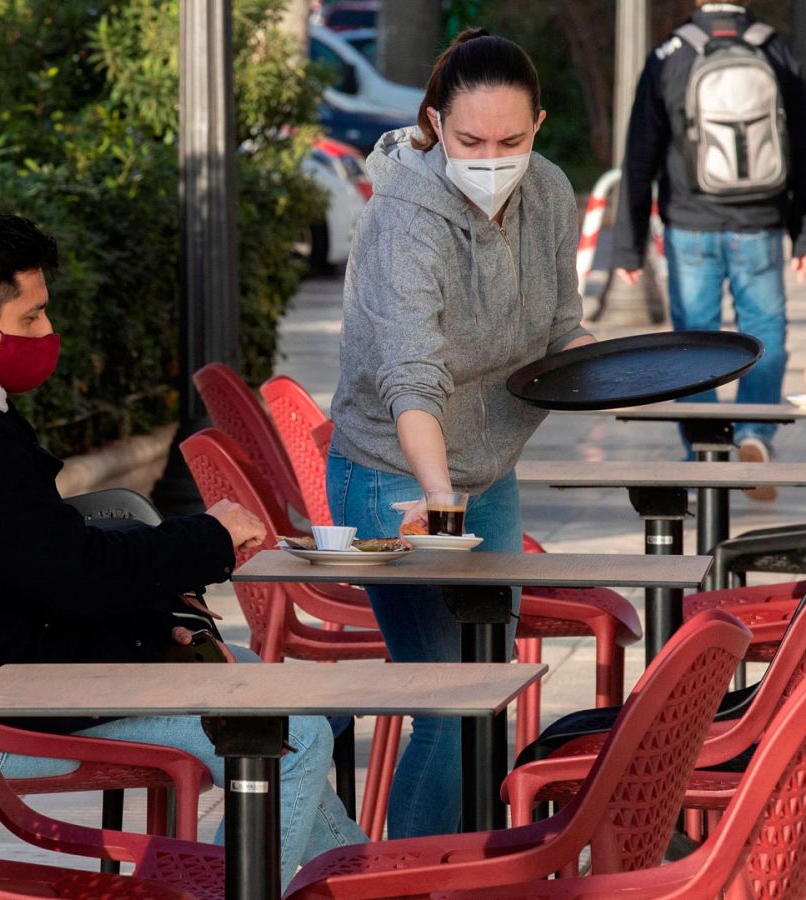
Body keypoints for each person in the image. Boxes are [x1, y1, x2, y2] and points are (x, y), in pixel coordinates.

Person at [0, 205, 366, 880]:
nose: (49, 332)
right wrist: (209, 538)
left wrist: (153, 620)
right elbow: (73, 575)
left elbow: (28, 569)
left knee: (252, 680)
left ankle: (356, 886)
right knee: (292, 735)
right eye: (32, 317)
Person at [326, 29, 595, 839]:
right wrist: (438, 499)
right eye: (471, 139)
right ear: (437, 125)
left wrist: (619, 369)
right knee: (451, 704)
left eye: (510, 140)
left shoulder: (548, 191)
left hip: (491, 467)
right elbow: (413, 379)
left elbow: (561, 329)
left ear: (539, 127)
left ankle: (461, 871)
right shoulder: (406, 218)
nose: (491, 156)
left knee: (489, 690)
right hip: (393, 473)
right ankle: (395, 888)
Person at [614, 0, 806, 498]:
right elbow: (804, 144)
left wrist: (629, 246)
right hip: (761, 222)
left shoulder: (671, 53)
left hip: (691, 224)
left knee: (694, 344)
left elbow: (640, 152)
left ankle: (705, 446)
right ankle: (755, 433)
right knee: (765, 330)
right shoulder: (774, 49)